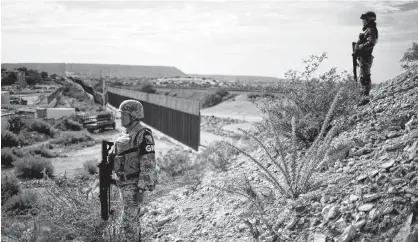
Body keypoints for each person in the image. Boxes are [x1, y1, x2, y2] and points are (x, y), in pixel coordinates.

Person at [109, 99, 157, 242]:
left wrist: (141, 189)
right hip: (123, 183)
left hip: (134, 185)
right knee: (132, 221)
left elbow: (148, 163)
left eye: (124, 115)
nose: (120, 117)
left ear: (134, 116)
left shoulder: (143, 134)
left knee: (128, 223)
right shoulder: (126, 134)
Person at [353, 11, 379, 106]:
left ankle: (366, 98)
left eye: (364, 19)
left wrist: (360, 47)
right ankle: (364, 95)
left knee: (365, 78)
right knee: (364, 77)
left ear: (368, 19)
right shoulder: (369, 29)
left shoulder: (371, 29)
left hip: (366, 56)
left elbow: (371, 42)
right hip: (364, 57)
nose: (363, 21)